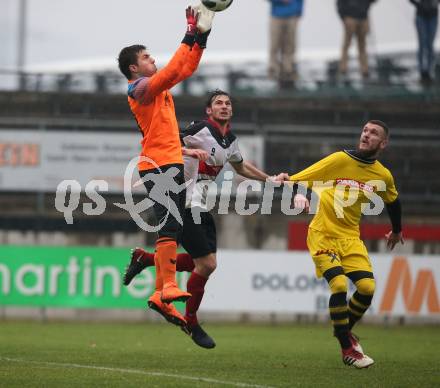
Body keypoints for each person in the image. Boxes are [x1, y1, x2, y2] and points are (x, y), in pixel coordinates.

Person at [124, 89, 287, 349]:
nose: (224, 106)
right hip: (184, 202)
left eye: (228, 103)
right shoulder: (198, 129)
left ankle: (146, 259)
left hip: (201, 204)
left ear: (231, 111)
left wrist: (270, 179)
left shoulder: (230, 140)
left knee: (207, 263)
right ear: (209, 111)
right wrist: (188, 153)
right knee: (207, 264)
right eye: (218, 103)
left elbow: (241, 166)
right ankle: (190, 320)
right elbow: (163, 143)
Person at [117, 5, 214, 331]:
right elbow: (173, 70)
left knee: (171, 222)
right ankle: (167, 287)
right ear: (134, 67)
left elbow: (185, 67)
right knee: (170, 222)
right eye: (147, 58)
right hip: (157, 163)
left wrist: (202, 34)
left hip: (169, 161)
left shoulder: (156, 88)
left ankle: (161, 294)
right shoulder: (138, 89)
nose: (153, 60)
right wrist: (188, 31)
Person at [287, 120, 403, 368]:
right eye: (365, 130)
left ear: (383, 143)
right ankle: (347, 348)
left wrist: (397, 230)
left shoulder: (382, 175)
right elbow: (302, 178)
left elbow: (393, 201)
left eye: (374, 133)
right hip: (322, 234)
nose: (366, 134)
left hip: (350, 238)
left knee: (367, 288)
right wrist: (300, 194)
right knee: (339, 284)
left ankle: (344, 330)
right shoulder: (339, 160)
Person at [267, 0, 304, 88]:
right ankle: (273, 69)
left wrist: (299, 12)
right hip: (276, 15)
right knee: (274, 44)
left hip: (292, 15)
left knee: (290, 45)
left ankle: (288, 68)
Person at [337, 0, 377, 79]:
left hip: (362, 17)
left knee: (362, 45)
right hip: (350, 18)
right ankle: (343, 68)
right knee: (347, 44)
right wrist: (344, 17)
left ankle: (364, 70)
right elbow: (340, 3)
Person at [409, 0, 439, 84]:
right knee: (422, 43)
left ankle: (429, 70)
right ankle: (422, 70)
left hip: (433, 16)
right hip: (421, 16)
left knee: (430, 45)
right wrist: (418, 4)